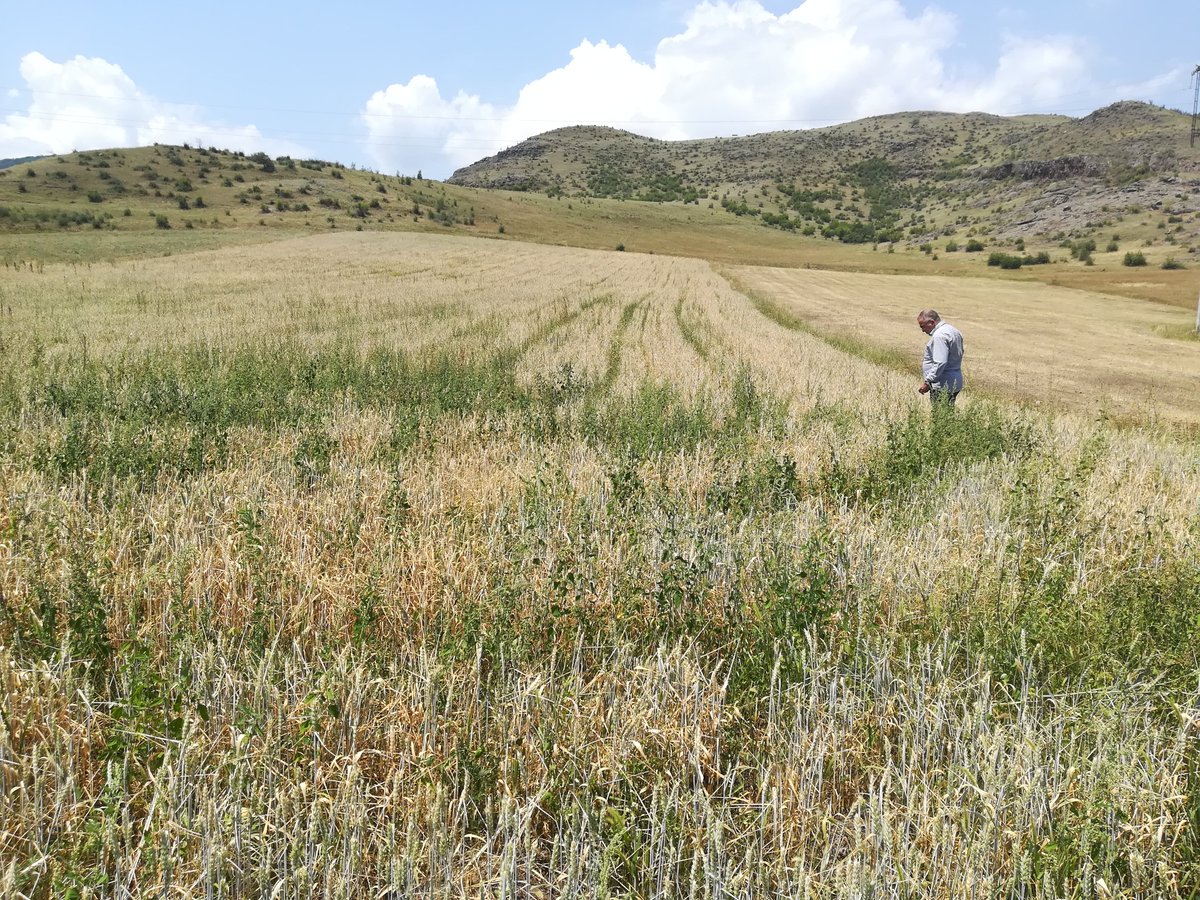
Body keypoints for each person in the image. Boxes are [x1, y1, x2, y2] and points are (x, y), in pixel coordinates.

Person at [916, 309, 964, 406]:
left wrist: (928, 382)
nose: (923, 330)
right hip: (954, 381)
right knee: (948, 413)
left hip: (943, 384)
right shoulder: (953, 330)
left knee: (939, 416)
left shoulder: (939, 336)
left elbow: (940, 362)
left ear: (931, 322)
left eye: (923, 326)